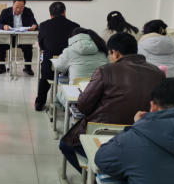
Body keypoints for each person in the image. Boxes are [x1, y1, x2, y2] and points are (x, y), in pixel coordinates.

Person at [59, 32, 166, 173]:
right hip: (143, 134)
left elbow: (83, 106)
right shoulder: (158, 73)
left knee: (65, 145)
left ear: (114, 53)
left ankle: (94, 180)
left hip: (103, 132)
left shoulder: (105, 70)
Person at [35, 2, 80, 111]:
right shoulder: (75, 26)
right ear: (64, 12)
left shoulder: (44, 25)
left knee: (45, 79)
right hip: (70, 63)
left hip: (50, 63)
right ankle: (71, 104)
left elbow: (41, 45)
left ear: (50, 14)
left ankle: (39, 102)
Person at [54, 27, 110, 110]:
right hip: (99, 93)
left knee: (58, 97)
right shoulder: (103, 49)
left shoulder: (68, 51)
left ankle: (70, 113)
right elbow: (109, 67)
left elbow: (58, 67)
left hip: (76, 94)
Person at [0, 0, 38, 76]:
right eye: (16, 7)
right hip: (9, 38)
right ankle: (2, 67)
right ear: (13, 5)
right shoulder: (5, 12)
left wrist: (34, 26)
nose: (18, 10)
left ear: (24, 6)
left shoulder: (28, 11)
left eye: (21, 7)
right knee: (0, 46)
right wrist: (3, 26)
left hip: (23, 38)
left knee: (28, 47)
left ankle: (28, 68)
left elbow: (34, 23)